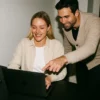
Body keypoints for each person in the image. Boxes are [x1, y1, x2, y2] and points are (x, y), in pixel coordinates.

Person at [42, 0, 100, 99]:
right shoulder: (66, 25)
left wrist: (63, 59)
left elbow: (90, 47)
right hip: (81, 64)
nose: (63, 21)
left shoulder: (95, 21)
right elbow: (67, 48)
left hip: (97, 64)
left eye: (66, 17)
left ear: (76, 13)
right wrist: (61, 68)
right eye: (60, 17)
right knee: (82, 93)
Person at [8, 11, 67, 90]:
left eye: (42, 28)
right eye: (34, 27)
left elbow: (63, 72)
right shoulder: (24, 43)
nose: (37, 31)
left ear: (48, 28)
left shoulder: (57, 45)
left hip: (49, 86)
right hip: (26, 85)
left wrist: (49, 78)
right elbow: (13, 65)